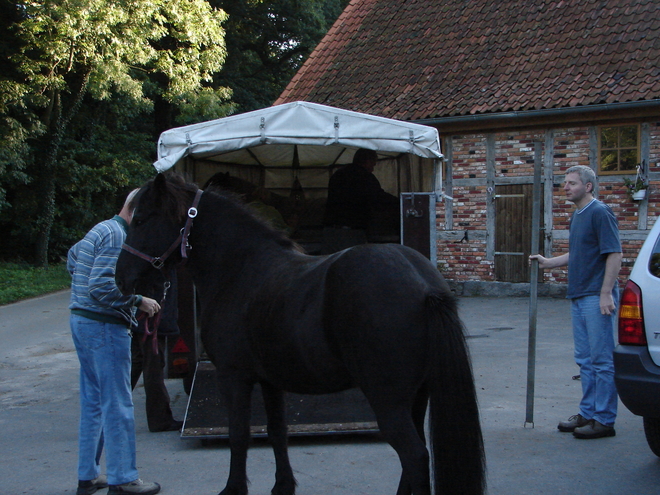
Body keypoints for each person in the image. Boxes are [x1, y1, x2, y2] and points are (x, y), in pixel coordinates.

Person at [68, 189, 162, 495]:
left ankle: (88, 476)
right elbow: (100, 287)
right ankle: (123, 478)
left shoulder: (100, 228)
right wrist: (138, 301)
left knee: (94, 403)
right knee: (118, 404)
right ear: (135, 211)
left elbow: (73, 258)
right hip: (104, 328)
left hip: (83, 322)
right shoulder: (116, 236)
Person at [530, 165, 622, 440]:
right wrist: (549, 263)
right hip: (579, 295)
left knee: (602, 360)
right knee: (585, 360)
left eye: (571, 183)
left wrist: (606, 292)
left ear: (588, 186)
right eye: (565, 183)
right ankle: (588, 413)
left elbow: (614, 254)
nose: (566, 188)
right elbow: (578, 252)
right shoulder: (578, 216)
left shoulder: (599, 212)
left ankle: (604, 420)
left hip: (596, 296)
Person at [131, 270, 184, 433]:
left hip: (144, 316)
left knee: (136, 364)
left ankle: (107, 410)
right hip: (152, 315)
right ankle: (160, 420)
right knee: (153, 367)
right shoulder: (157, 256)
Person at [322, 148, 399, 253]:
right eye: (373, 164)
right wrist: (401, 203)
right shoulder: (365, 177)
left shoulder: (338, 174)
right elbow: (379, 198)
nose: (373, 169)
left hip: (329, 231)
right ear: (367, 161)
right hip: (350, 233)